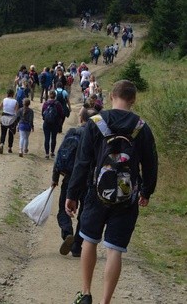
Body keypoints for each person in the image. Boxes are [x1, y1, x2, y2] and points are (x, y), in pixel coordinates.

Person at [66, 80, 158, 304]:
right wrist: (146, 191)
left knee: (89, 240)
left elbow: (82, 162)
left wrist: (72, 194)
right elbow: (151, 163)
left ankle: (86, 293)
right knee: (115, 249)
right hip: (127, 197)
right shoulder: (141, 127)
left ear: (111, 97)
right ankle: (105, 301)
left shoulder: (96, 122)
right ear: (133, 100)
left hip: (96, 193)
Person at [51, 107, 94, 257]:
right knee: (84, 213)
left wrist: (55, 177)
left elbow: (60, 154)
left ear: (81, 119)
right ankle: (77, 246)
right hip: (89, 180)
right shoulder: (98, 136)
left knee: (64, 208)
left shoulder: (72, 132)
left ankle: (67, 232)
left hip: (70, 177)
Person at [41, 90, 64, 159]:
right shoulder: (58, 104)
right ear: (55, 96)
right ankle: (52, 152)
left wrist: (45, 118)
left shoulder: (45, 103)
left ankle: (47, 154)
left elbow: (43, 113)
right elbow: (62, 114)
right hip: (55, 123)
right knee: (54, 138)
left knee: (46, 138)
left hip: (46, 123)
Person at [0, 89, 18, 154]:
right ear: (13, 94)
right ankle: (10, 148)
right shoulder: (15, 101)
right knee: (11, 134)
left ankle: (1, 144)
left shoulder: (4, 100)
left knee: (3, 133)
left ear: (7, 94)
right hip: (11, 119)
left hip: (4, 117)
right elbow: (16, 112)